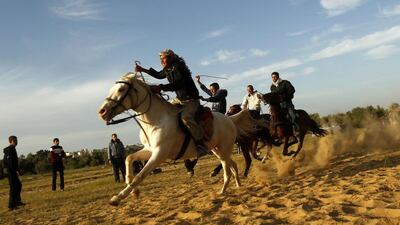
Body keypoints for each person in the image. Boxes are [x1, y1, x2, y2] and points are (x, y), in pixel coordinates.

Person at [135, 49, 208, 157]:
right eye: (160, 59)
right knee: (164, 108)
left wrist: (161, 87)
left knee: (185, 117)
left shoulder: (178, 67)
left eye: (163, 58)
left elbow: (178, 84)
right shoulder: (168, 69)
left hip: (191, 100)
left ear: (170, 58)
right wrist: (143, 69)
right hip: (179, 99)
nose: (161, 61)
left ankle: (200, 143)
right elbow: (159, 75)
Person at [3, 136, 24, 210]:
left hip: (12, 170)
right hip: (10, 171)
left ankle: (17, 201)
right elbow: (10, 162)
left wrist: (17, 169)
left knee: (18, 185)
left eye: (17, 140)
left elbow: (14, 162)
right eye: (15, 140)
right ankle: (11, 205)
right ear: (11, 141)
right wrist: (16, 171)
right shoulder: (9, 150)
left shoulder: (13, 149)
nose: (16, 141)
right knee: (13, 187)